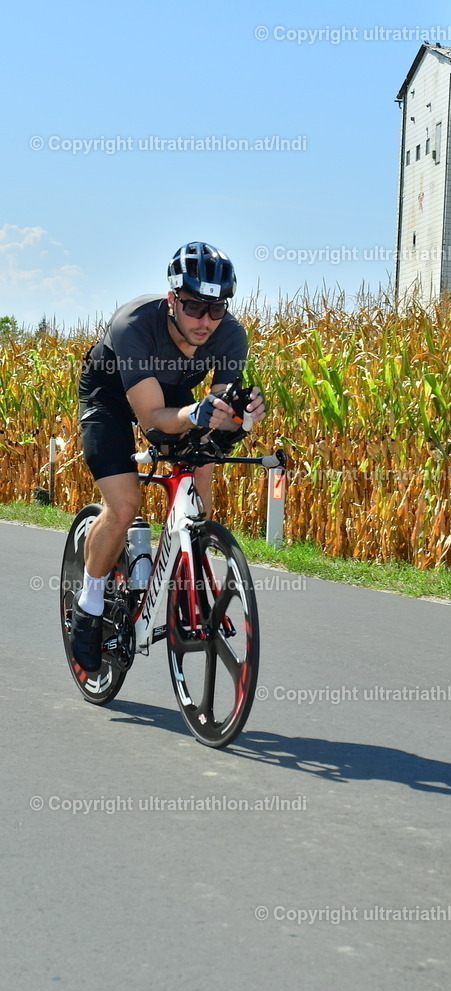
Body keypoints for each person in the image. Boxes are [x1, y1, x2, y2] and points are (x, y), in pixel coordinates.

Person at [72, 241, 266, 672]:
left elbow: (218, 416)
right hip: (110, 398)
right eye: (196, 307)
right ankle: (88, 603)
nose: (206, 321)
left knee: (201, 486)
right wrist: (196, 414)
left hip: (171, 395)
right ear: (172, 299)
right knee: (124, 506)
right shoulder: (135, 324)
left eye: (217, 309)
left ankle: (188, 580)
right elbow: (152, 417)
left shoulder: (230, 334)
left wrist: (243, 417)